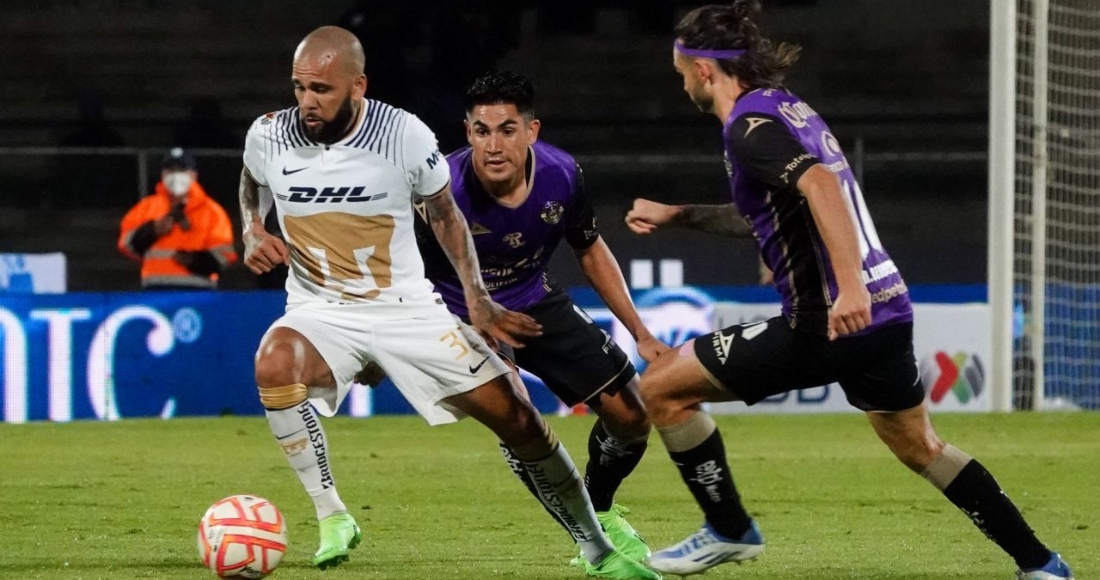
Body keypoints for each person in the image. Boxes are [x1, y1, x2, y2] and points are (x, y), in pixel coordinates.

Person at [623, 3, 1075, 579]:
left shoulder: (747, 128)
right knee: (921, 447)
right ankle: (1042, 565)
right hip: (889, 312)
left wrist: (850, 288)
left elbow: (820, 186)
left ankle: (730, 530)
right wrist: (678, 214)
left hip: (828, 320)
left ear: (704, 70)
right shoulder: (786, 108)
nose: (682, 82)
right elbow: (771, 211)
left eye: (681, 71)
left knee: (661, 388)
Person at [239, 26, 659, 580]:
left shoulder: (414, 137)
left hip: (465, 303)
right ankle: (332, 514)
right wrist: (251, 227)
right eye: (299, 87)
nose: (307, 101)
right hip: (379, 307)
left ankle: (598, 530)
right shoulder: (272, 134)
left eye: (321, 89)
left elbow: (470, 222)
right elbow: (254, 179)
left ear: (357, 85)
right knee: (274, 362)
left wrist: (482, 300)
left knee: (573, 418)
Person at [413, 70, 669, 565]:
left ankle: (599, 510)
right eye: (482, 131)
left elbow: (589, 248)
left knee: (633, 416)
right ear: (468, 133)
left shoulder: (563, 174)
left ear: (531, 131)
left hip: (532, 299)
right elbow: (400, 267)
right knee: (519, 419)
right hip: (456, 311)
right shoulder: (440, 190)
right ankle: (591, 542)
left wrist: (640, 332)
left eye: (507, 130)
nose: (493, 145)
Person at [118, 148, 237, 289]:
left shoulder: (211, 211)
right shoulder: (147, 207)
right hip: (155, 289)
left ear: (194, 175)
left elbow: (224, 256)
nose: (176, 175)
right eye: (171, 170)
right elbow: (126, 245)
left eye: (182, 170)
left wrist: (194, 261)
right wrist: (151, 231)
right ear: (162, 174)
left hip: (199, 290)